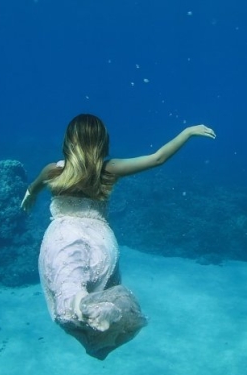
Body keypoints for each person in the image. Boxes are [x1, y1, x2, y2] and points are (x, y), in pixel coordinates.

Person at [21, 114, 216, 359]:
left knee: (68, 284)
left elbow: (33, 188)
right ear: (102, 141)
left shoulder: (53, 170)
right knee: (103, 290)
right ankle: (101, 314)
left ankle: (80, 304)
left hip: (63, 235)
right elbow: (157, 158)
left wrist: (29, 196)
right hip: (100, 240)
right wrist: (187, 132)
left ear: (69, 140)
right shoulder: (108, 169)